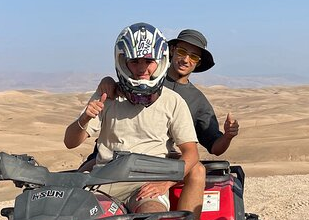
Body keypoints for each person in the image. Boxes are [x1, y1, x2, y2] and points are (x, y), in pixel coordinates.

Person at [64, 22, 204, 220]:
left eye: (149, 61)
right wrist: (85, 117)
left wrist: (166, 183)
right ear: (122, 61)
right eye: (134, 61)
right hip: (104, 183)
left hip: (147, 183)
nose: (142, 68)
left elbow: (191, 153)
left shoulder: (173, 101)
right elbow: (70, 142)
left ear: (161, 61)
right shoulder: (107, 95)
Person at [93, 29, 239, 156]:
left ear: (198, 63)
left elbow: (214, 147)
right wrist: (107, 81)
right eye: (182, 52)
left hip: (157, 159)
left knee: (196, 171)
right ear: (172, 50)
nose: (186, 60)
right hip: (110, 153)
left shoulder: (197, 100)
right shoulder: (146, 77)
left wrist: (228, 136)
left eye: (194, 57)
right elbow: (122, 83)